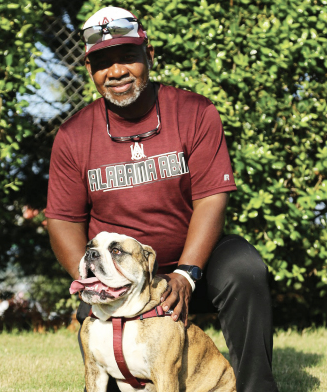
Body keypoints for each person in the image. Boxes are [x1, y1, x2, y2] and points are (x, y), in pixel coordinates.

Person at [45, 6, 279, 392]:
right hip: (121, 273)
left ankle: (257, 387)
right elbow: (63, 220)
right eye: (102, 63)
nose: (116, 71)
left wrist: (187, 273)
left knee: (244, 269)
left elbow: (211, 197)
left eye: (127, 57)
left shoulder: (195, 112)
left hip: (192, 261)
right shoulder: (73, 135)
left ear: (149, 56)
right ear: (90, 71)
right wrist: (92, 280)